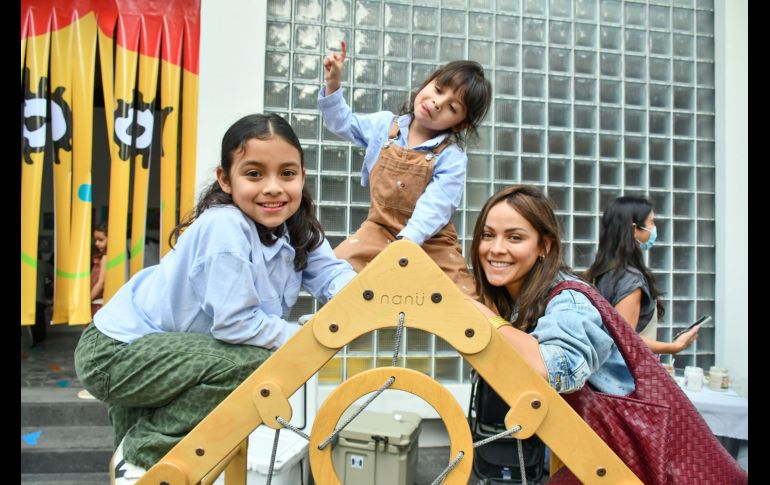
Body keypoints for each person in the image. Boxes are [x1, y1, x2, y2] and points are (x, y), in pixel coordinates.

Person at [73, 113, 357, 483]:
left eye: (287, 174)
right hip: (117, 351)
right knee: (254, 363)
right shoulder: (225, 226)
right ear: (225, 179)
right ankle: (142, 449)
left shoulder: (296, 227)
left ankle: (137, 454)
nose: (273, 188)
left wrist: (360, 301)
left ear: (302, 177)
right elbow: (237, 324)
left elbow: (332, 276)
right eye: (254, 174)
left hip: (167, 352)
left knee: (147, 476)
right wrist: (304, 339)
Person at [319, 40, 492, 297]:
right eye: (438, 89)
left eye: (452, 107)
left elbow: (437, 204)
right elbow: (342, 123)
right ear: (427, 82)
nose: (436, 102)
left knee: (465, 297)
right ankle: (336, 320)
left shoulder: (450, 157)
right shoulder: (383, 127)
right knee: (335, 269)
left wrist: (409, 240)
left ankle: (500, 332)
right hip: (379, 229)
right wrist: (333, 85)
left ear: (459, 125)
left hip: (431, 240)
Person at [470, 185, 634, 395]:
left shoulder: (569, 298)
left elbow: (561, 369)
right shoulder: (505, 293)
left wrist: (488, 320)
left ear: (544, 246)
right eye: (487, 235)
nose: (496, 248)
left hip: (593, 427)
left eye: (514, 237)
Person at [584, 196, 699, 355]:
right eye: (651, 222)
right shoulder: (630, 279)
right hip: (623, 377)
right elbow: (625, 340)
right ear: (634, 229)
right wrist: (673, 347)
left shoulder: (597, 273)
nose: (654, 228)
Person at [90, 221, 108, 317]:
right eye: (95, 240)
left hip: (99, 303)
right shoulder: (102, 257)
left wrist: (88, 299)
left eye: (101, 240)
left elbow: (101, 283)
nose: (97, 243)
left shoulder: (105, 257)